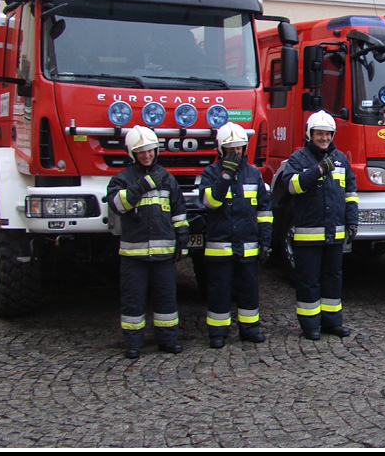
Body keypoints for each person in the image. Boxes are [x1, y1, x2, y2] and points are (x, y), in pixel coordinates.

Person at [106, 125, 189, 359]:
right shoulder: (121, 179)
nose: (147, 155)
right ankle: (133, 343)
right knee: (133, 301)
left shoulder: (167, 178)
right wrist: (144, 185)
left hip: (163, 255)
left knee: (166, 299)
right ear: (132, 153)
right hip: (134, 257)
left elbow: (179, 213)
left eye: (150, 150)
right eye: (141, 151)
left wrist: (182, 241)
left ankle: (168, 341)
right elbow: (117, 205)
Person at [284, 110, 358, 340]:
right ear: (310, 134)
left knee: (333, 279)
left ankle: (332, 322)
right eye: (319, 134)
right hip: (308, 236)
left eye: (328, 134)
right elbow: (291, 186)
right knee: (308, 281)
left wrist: (352, 221)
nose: (324, 138)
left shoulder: (340, 159)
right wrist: (317, 171)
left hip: (334, 234)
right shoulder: (298, 159)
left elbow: (350, 194)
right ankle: (310, 325)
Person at [198, 122, 273, 348]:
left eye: (239, 148)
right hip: (219, 246)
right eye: (231, 148)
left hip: (247, 245)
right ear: (221, 149)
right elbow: (210, 203)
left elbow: (264, 211)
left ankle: (249, 329)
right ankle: (218, 333)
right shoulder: (210, 174)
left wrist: (265, 242)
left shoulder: (253, 174)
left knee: (248, 290)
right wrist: (225, 177)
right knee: (219, 291)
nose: (236, 152)